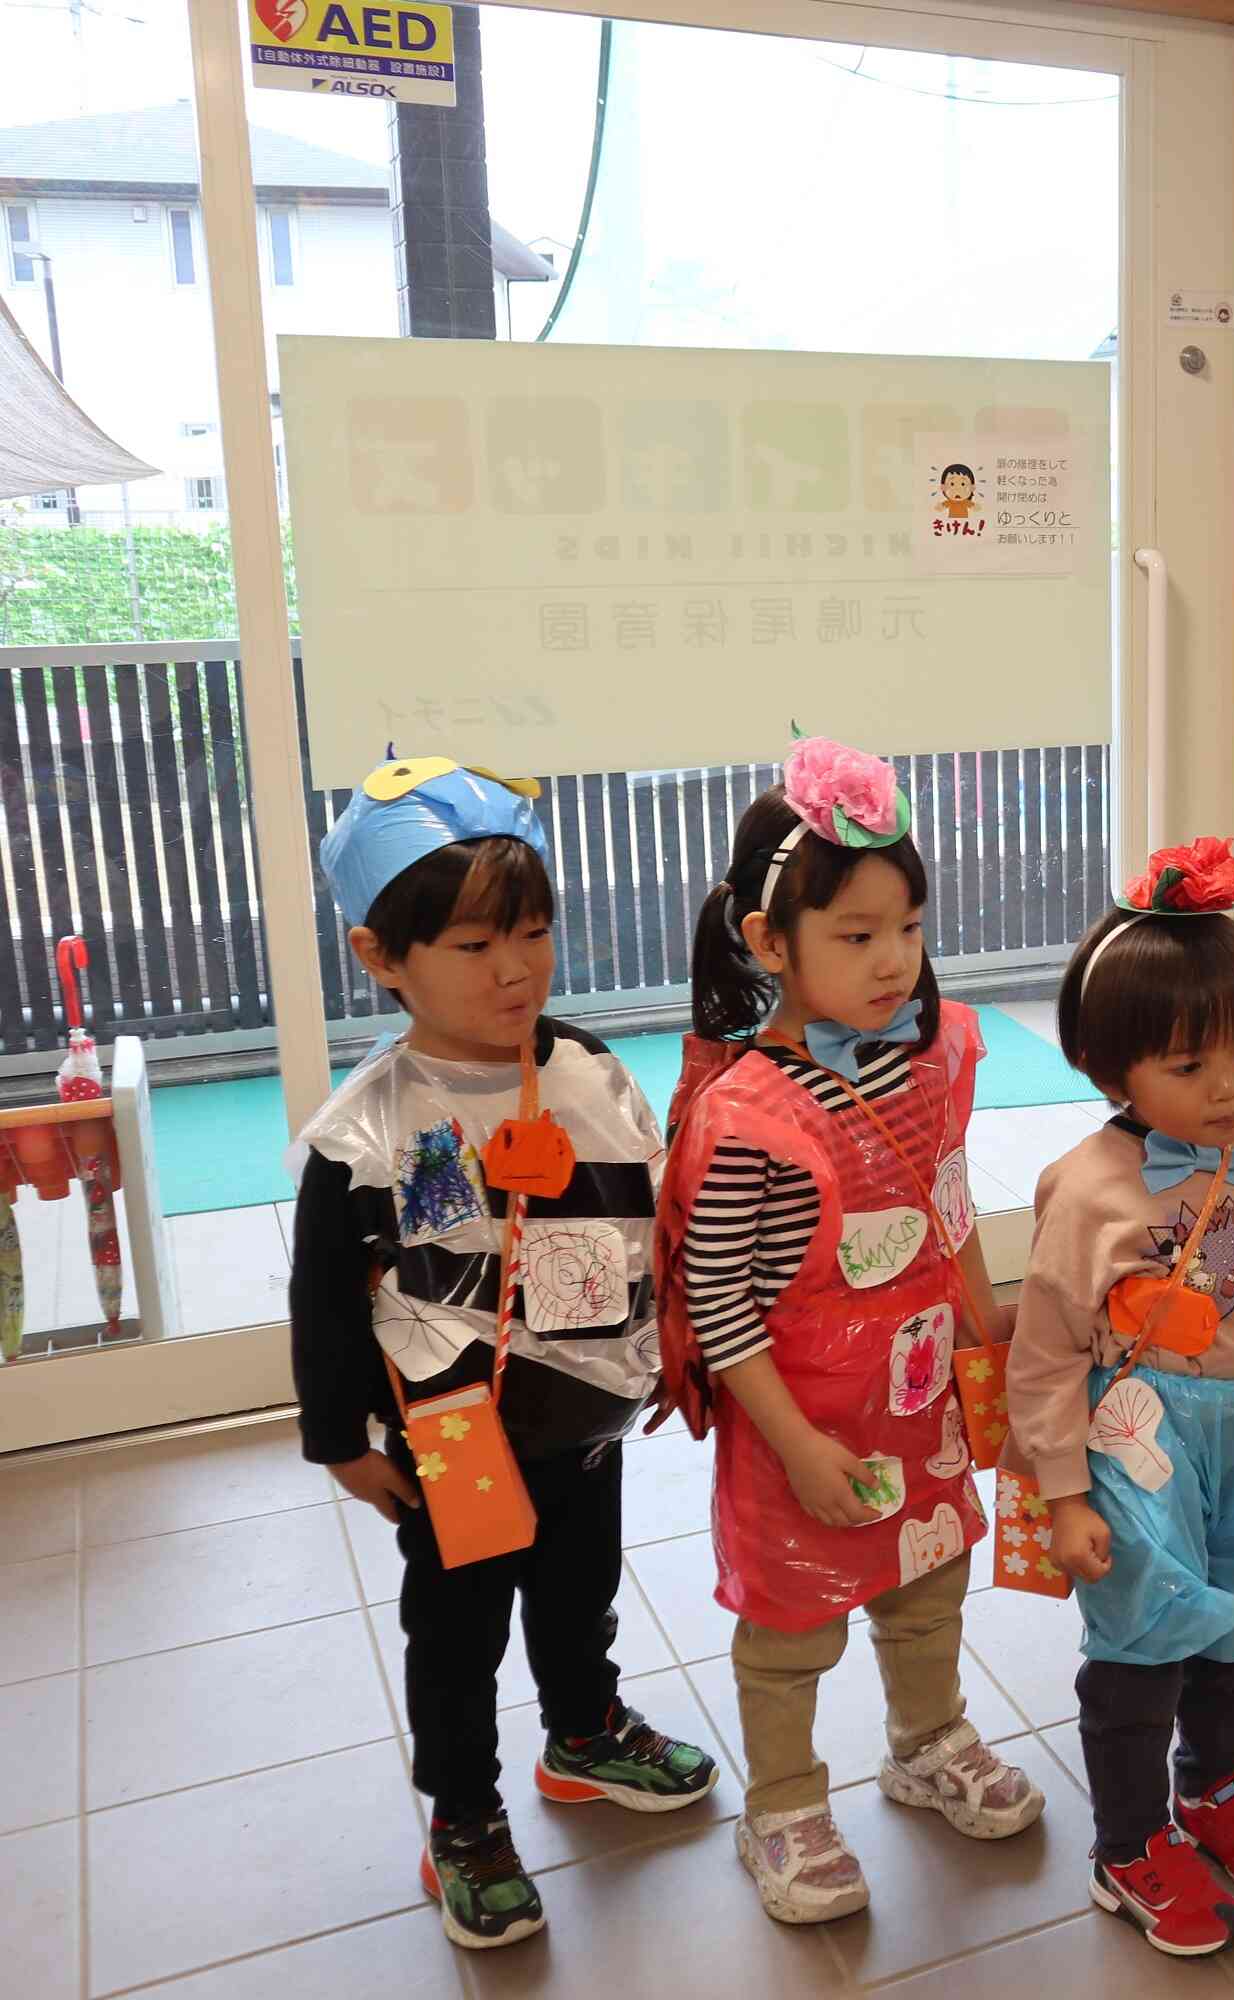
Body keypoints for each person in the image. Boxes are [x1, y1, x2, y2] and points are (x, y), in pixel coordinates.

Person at [290, 756, 718, 1953]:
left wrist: (670, 1347)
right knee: (462, 1626)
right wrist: (339, 1438)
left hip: (585, 1422)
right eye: (475, 945)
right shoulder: (372, 1129)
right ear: (382, 956)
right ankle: (465, 1814)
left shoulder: (587, 1072)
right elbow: (325, 1300)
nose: (516, 966)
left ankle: (582, 1731)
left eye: (531, 931)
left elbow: (658, 1223)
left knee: (581, 1592)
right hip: (459, 1437)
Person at [653, 735, 1041, 1927]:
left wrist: (986, 1328)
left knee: (929, 1580)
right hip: (800, 1421)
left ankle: (925, 1738)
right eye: (857, 935)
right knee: (793, 1621)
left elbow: (950, 1193)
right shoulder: (745, 1116)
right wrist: (798, 1443)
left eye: (909, 927)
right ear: (770, 943)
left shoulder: (938, 1053)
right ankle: (782, 1801)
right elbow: (718, 1306)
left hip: (916, 1397)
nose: (894, 962)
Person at [1011, 836, 1234, 1959]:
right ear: (1114, 1072)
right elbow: (1048, 1352)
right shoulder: (1088, 1189)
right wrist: (1063, 1492)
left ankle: (1211, 1786)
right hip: (1145, 1436)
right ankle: (1128, 1841)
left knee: (1231, 1624)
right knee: (1144, 1640)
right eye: (1189, 1062)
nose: (1230, 1084)